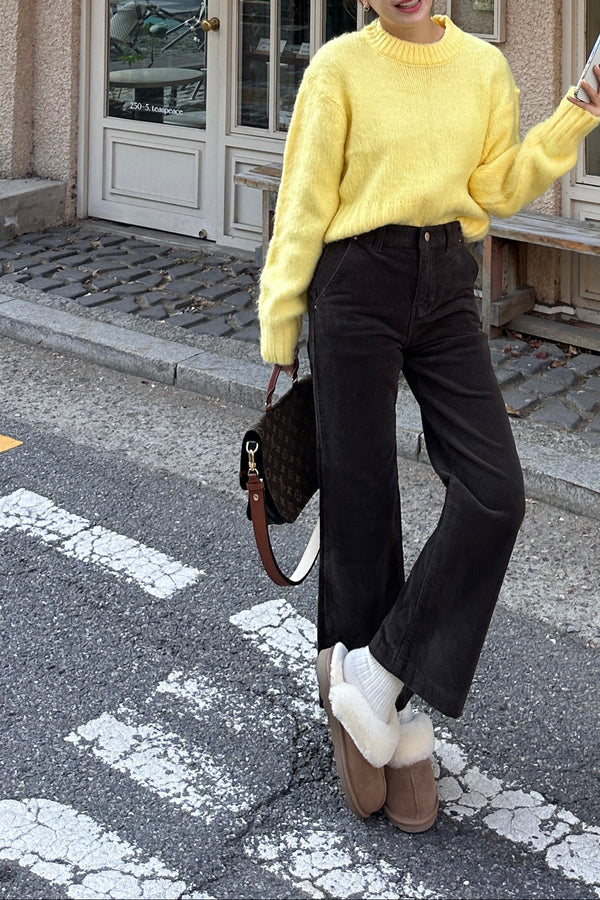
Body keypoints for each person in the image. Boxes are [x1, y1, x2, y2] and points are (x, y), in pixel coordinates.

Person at [257, 0, 600, 832]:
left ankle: (374, 681)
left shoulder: (482, 68)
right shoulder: (339, 68)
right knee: (362, 500)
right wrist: (281, 315)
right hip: (354, 282)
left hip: (446, 281)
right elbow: (304, 199)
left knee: (495, 493)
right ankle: (393, 720)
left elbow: (496, 187)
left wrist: (575, 114)